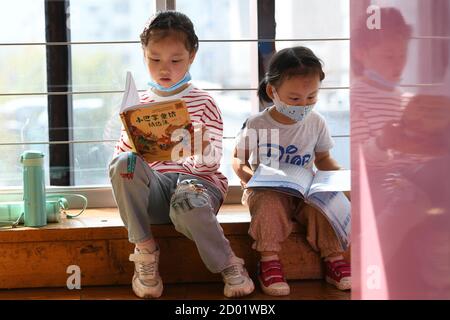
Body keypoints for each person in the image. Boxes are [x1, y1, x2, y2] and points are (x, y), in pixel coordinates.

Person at [109, 11, 254, 299]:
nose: (165, 68)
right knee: (124, 164)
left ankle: (228, 263)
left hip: (196, 185)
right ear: (143, 55)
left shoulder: (204, 102)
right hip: (156, 189)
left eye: (175, 60)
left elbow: (211, 166)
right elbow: (122, 170)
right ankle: (145, 250)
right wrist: (131, 141)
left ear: (192, 56)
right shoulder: (138, 105)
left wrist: (201, 149)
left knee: (187, 199)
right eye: (154, 59)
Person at [231, 46, 351, 296]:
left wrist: (342, 179)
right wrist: (250, 179)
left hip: (303, 192)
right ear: (272, 91)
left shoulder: (316, 122)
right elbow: (237, 159)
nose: (303, 105)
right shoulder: (257, 123)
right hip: (266, 191)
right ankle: (269, 261)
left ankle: (334, 259)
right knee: (269, 203)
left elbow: (324, 159)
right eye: (294, 99)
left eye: (312, 97)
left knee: (323, 204)